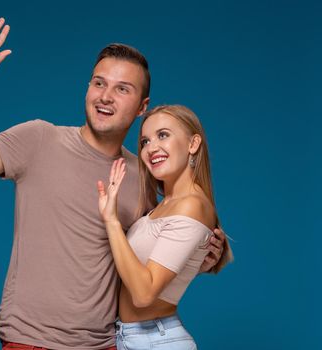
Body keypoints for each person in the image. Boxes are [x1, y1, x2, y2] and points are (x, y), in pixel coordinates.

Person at [0, 18, 226, 350]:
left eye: (122, 88)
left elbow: (145, 265)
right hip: (31, 341)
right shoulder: (38, 139)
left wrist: (200, 259)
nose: (106, 96)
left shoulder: (144, 175)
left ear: (142, 108)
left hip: (106, 344)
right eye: (99, 83)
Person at [97, 105, 233, 349]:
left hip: (156, 341)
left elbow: (143, 294)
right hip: (128, 337)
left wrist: (112, 221)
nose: (151, 148)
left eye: (163, 135)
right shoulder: (160, 208)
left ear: (193, 144)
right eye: (145, 141)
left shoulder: (192, 205)